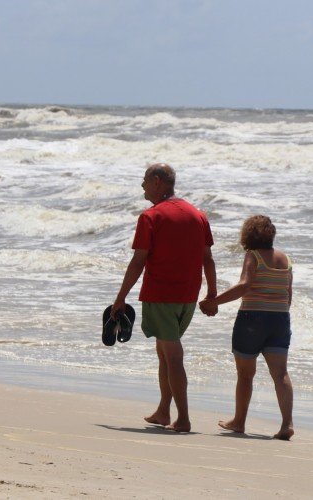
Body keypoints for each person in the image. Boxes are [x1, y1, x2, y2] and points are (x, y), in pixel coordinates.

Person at [111, 163, 217, 433]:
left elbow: (138, 262)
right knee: (164, 352)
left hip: (161, 295)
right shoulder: (198, 215)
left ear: (158, 181)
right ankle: (163, 410)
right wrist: (211, 293)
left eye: (145, 180)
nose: (142, 185)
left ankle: (183, 418)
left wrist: (120, 297)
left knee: (172, 355)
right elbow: (207, 258)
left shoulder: (151, 217)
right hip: (188, 297)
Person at [199, 215, 295, 440]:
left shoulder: (253, 256)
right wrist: (279, 313)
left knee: (245, 374)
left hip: (252, 318)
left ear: (248, 235)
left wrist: (214, 302)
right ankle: (286, 423)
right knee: (280, 374)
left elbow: (244, 285)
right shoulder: (285, 259)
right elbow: (288, 294)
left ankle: (239, 421)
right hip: (280, 319)